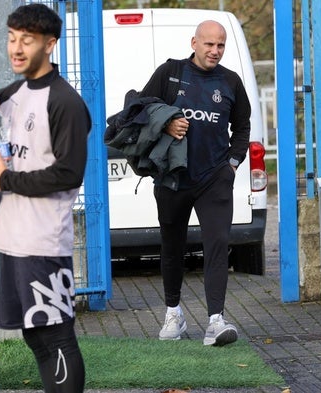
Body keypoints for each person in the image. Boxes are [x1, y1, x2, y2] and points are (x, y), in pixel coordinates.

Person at [0, 4, 89, 392]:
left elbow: (69, 173)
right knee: (34, 334)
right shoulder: (14, 91)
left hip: (44, 239)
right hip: (14, 238)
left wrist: (6, 181)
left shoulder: (65, 101)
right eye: (12, 38)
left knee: (57, 336)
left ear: (49, 44)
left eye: (26, 41)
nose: (16, 48)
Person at [138, 20, 251, 346]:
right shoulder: (170, 73)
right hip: (173, 177)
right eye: (208, 44)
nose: (214, 51)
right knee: (172, 245)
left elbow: (242, 126)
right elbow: (140, 110)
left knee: (217, 243)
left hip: (214, 178)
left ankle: (215, 321)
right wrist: (167, 124)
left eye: (220, 46)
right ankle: (173, 315)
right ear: (194, 43)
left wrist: (231, 163)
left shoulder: (230, 81)